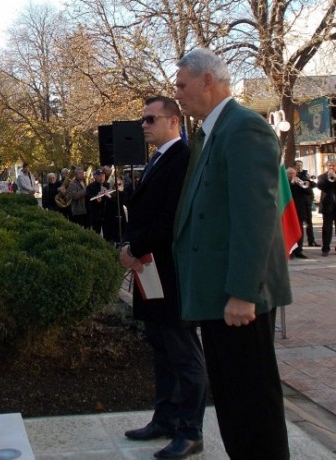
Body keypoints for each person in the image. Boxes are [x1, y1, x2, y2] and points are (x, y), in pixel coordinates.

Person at [173, 48, 292, 459]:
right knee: (234, 406)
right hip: (218, 296)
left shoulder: (244, 128)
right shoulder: (213, 131)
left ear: (209, 81)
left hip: (239, 300)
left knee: (253, 407)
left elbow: (255, 217)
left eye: (182, 85)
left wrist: (242, 292)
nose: (177, 94)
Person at [120, 96, 207, 459]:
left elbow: (172, 217)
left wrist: (133, 246)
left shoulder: (183, 158)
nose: (143, 125)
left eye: (150, 119)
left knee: (184, 355)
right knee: (161, 350)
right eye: (143, 119)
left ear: (174, 121)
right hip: (150, 270)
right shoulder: (157, 158)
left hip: (170, 271)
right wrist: (132, 246)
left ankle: (190, 431)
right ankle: (165, 420)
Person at [317, 160, 336, 256]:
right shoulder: (322, 176)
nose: (331, 167)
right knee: (327, 228)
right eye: (330, 165)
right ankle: (325, 249)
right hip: (328, 206)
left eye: (333, 165)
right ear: (327, 166)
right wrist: (329, 178)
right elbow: (321, 186)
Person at [286, 167, 311, 259]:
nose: (292, 175)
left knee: (299, 230)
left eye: (293, 174)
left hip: (300, 210)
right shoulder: (285, 184)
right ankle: (290, 250)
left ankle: (299, 250)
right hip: (289, 209)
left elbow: (308, 192)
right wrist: (291, 184)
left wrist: (301, 184)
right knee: (289, 230)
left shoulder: (300, 182)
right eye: (290, 174)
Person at [294, 160, 318, 246]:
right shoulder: (294, 175)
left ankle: (311, 240)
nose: (300, 167)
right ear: (295, 166)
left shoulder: (306, 174)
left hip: (307, 201)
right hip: (298, 202)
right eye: (298, 165)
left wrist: (309, 181)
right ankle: (298, 243)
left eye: (301, 165)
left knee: (309, 223)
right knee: (299, 223)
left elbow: (314, 185)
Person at [86, 169, 108, 234]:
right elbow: (88, 199)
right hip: (96, 214)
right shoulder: (90, 187)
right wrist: (97, 196)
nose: (102, 177)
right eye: (100, 176)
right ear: (95, 176)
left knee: (107, 233)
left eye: (103, 175)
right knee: (96, 232)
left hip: (106, 214)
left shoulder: (108, 185)